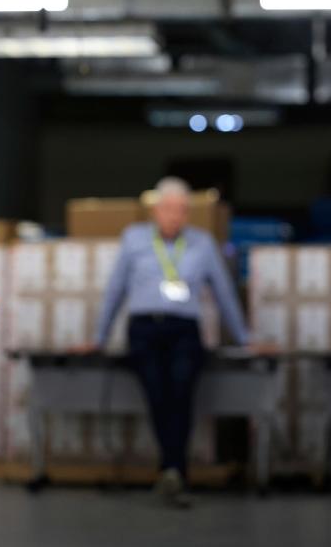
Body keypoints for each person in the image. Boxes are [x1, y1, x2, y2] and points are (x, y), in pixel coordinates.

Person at [77, 177, 252, 508]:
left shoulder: (202, 243)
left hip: (184, 330)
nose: (175, 217)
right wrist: (99, 338)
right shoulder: (134, 239)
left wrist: (245, 339)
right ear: (156, 211)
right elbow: (116, 290)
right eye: (169, 209)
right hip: (145, 330)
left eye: (182, 211)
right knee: (158, 393)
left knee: (181, 392)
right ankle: (174, 469)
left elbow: (224, 293)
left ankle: (172, 470)